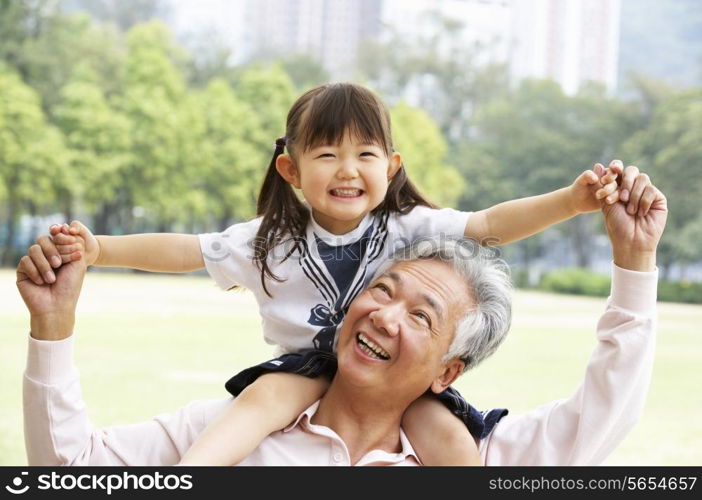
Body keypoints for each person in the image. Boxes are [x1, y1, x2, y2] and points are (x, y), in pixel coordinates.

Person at [26, 82, 627, 466]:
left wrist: (571, 202)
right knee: (260, 402)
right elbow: (184, 250)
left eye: (365, 154)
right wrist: (99, 247)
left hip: (393, 381)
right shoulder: (266, 242)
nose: (348, 169)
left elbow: (491, 223)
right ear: (290, 168)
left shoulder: (411, 227)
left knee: (448, 439)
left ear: (391, 166)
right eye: (327, 154)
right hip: (305, 370)